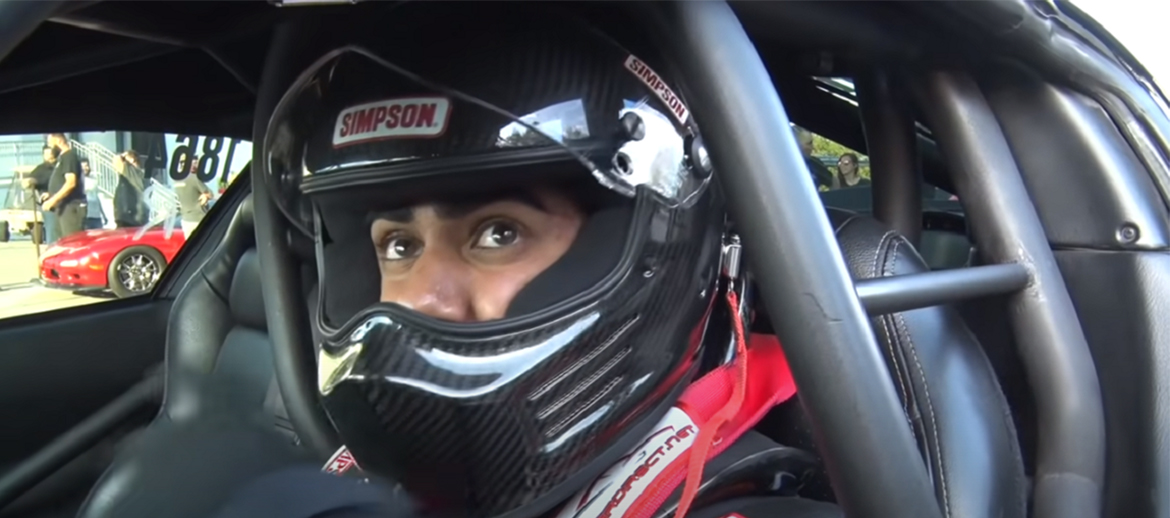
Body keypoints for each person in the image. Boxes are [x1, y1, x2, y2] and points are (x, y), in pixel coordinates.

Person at [214, 5, 841, 518]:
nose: (417, 299)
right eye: (399, 247)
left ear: (659, 251)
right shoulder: (342, 485)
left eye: (497, 233)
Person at [43, 133, 86, 239]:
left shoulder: (69, 157)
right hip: (62, 208)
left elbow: (71, 183)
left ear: (58, 141)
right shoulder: (62, 159)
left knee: (72, 242)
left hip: (71, 208)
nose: (50, 148)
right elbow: (61, 182)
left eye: (50, 144)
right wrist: (50, 194)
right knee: (62, 243)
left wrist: (53, 200)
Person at [24, 145, 58, 244]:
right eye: (46, 154)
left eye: (50, 153)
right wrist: (29, 182)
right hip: (50, 206)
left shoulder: (60, 166)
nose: (48, 156)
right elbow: (29, 180)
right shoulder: (41, 169)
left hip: (65, 203)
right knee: (52, 233)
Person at [174, 153, 212, 238]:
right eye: (194, 162)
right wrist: (205, 196)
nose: (195, 165)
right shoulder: (194, 178)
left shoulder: (176, 180)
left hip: (185, 220)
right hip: (198, 219)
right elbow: (210, 194)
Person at [112, 150, 148, 228]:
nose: (123, 161)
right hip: (132, 219)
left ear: (132, 161)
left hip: (130, 220)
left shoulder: (132, 173)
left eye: (125, 159)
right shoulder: (139, 175)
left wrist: (121, 156)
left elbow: (116, 160)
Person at [792, 126, 834, 191]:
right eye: (809, 144)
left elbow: (834, 183)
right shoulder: (779, 165)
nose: (812, 147)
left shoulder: (815, 164)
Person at [80, 158, 107, 229]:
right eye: (82, 167)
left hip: (96, 216)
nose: (85, 168)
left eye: (86, 166)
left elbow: (97, 198)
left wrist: (103, 215)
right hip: (85, 216)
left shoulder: (94, 179)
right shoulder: (78, 181)